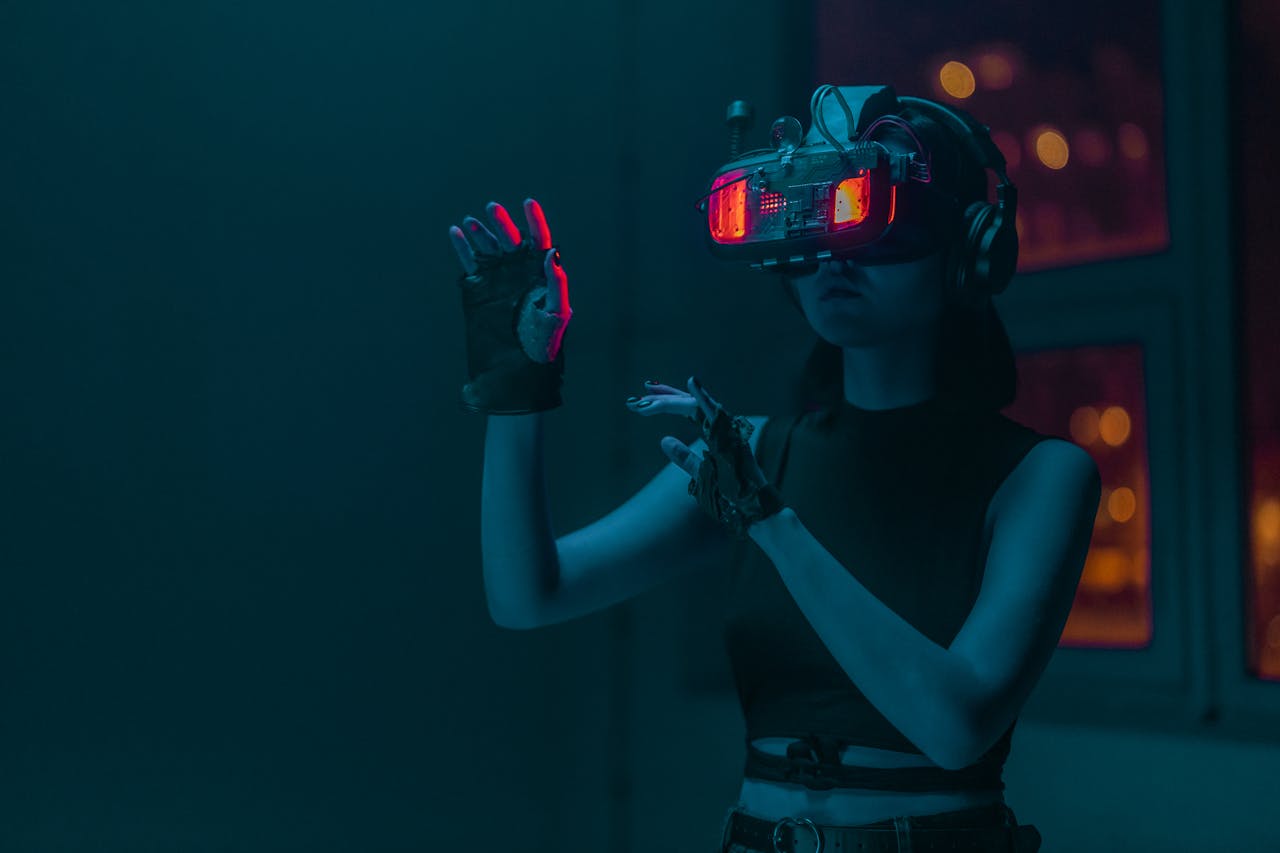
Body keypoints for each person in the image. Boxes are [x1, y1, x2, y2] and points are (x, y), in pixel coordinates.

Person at [447, 85, 1099, 853]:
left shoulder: (1040, 476)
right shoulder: (750, 451)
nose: (837, 263)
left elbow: (956, 725)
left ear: (969, 252)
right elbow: (529, 593)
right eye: (812, 227)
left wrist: (773, 525)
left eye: (877, 231)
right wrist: (516, 386)